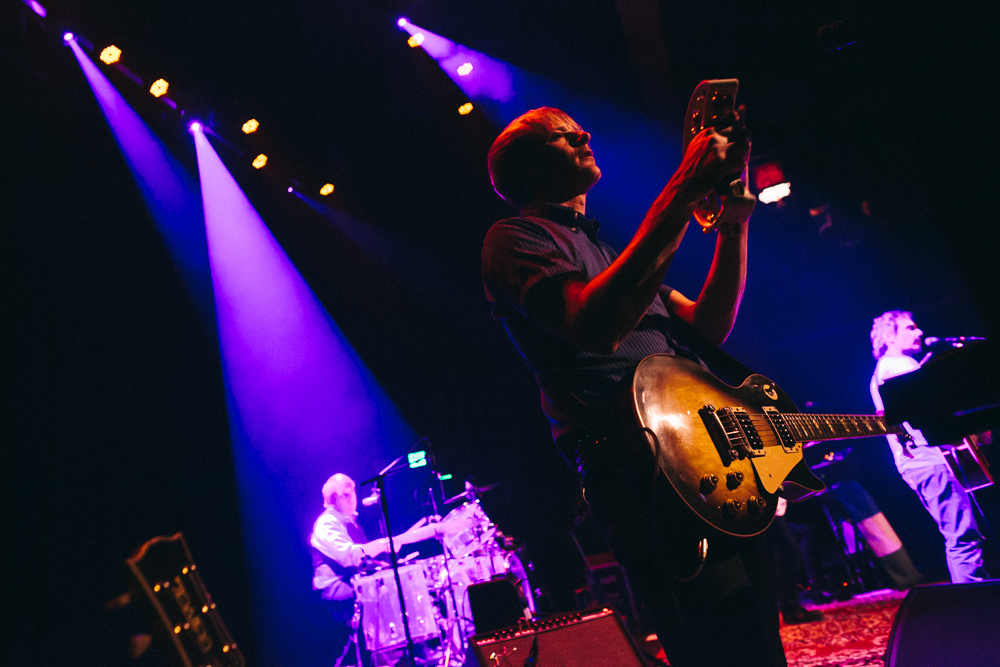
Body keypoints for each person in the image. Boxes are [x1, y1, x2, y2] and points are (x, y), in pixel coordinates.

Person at [482, 107, 786, 666]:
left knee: (754, 629)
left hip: (701, 455)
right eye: (561, 134)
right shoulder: (515, 237)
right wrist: (684, 185)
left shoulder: (606, 252)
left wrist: (735, 224)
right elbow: (595, 326)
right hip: (638, 470)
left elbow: (706, 325)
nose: (584, 135)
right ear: (528, 167)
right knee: (714, 634)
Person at [869, 310, 990, 583]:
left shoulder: (887, 369)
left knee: (963, 533)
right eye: (910, 328)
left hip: (924, 462)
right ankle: (974, 602)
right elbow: (936, 410)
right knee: (962, 536)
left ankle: (976, 597)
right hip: (930, 460)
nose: (919, 332)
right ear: (890, 336)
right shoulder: (900, 366)